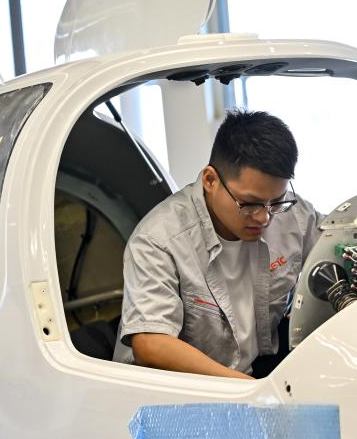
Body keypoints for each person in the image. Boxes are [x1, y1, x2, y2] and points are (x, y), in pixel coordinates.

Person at [112, 110, 320, 379]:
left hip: (255, 371)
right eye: (250, 204)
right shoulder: (158, 240)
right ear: (210, 180)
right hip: (179, 388)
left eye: (276, 202)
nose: (264, 217)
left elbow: (340, 244)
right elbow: (151, 345)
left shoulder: (293, 215)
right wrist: (251, 390)